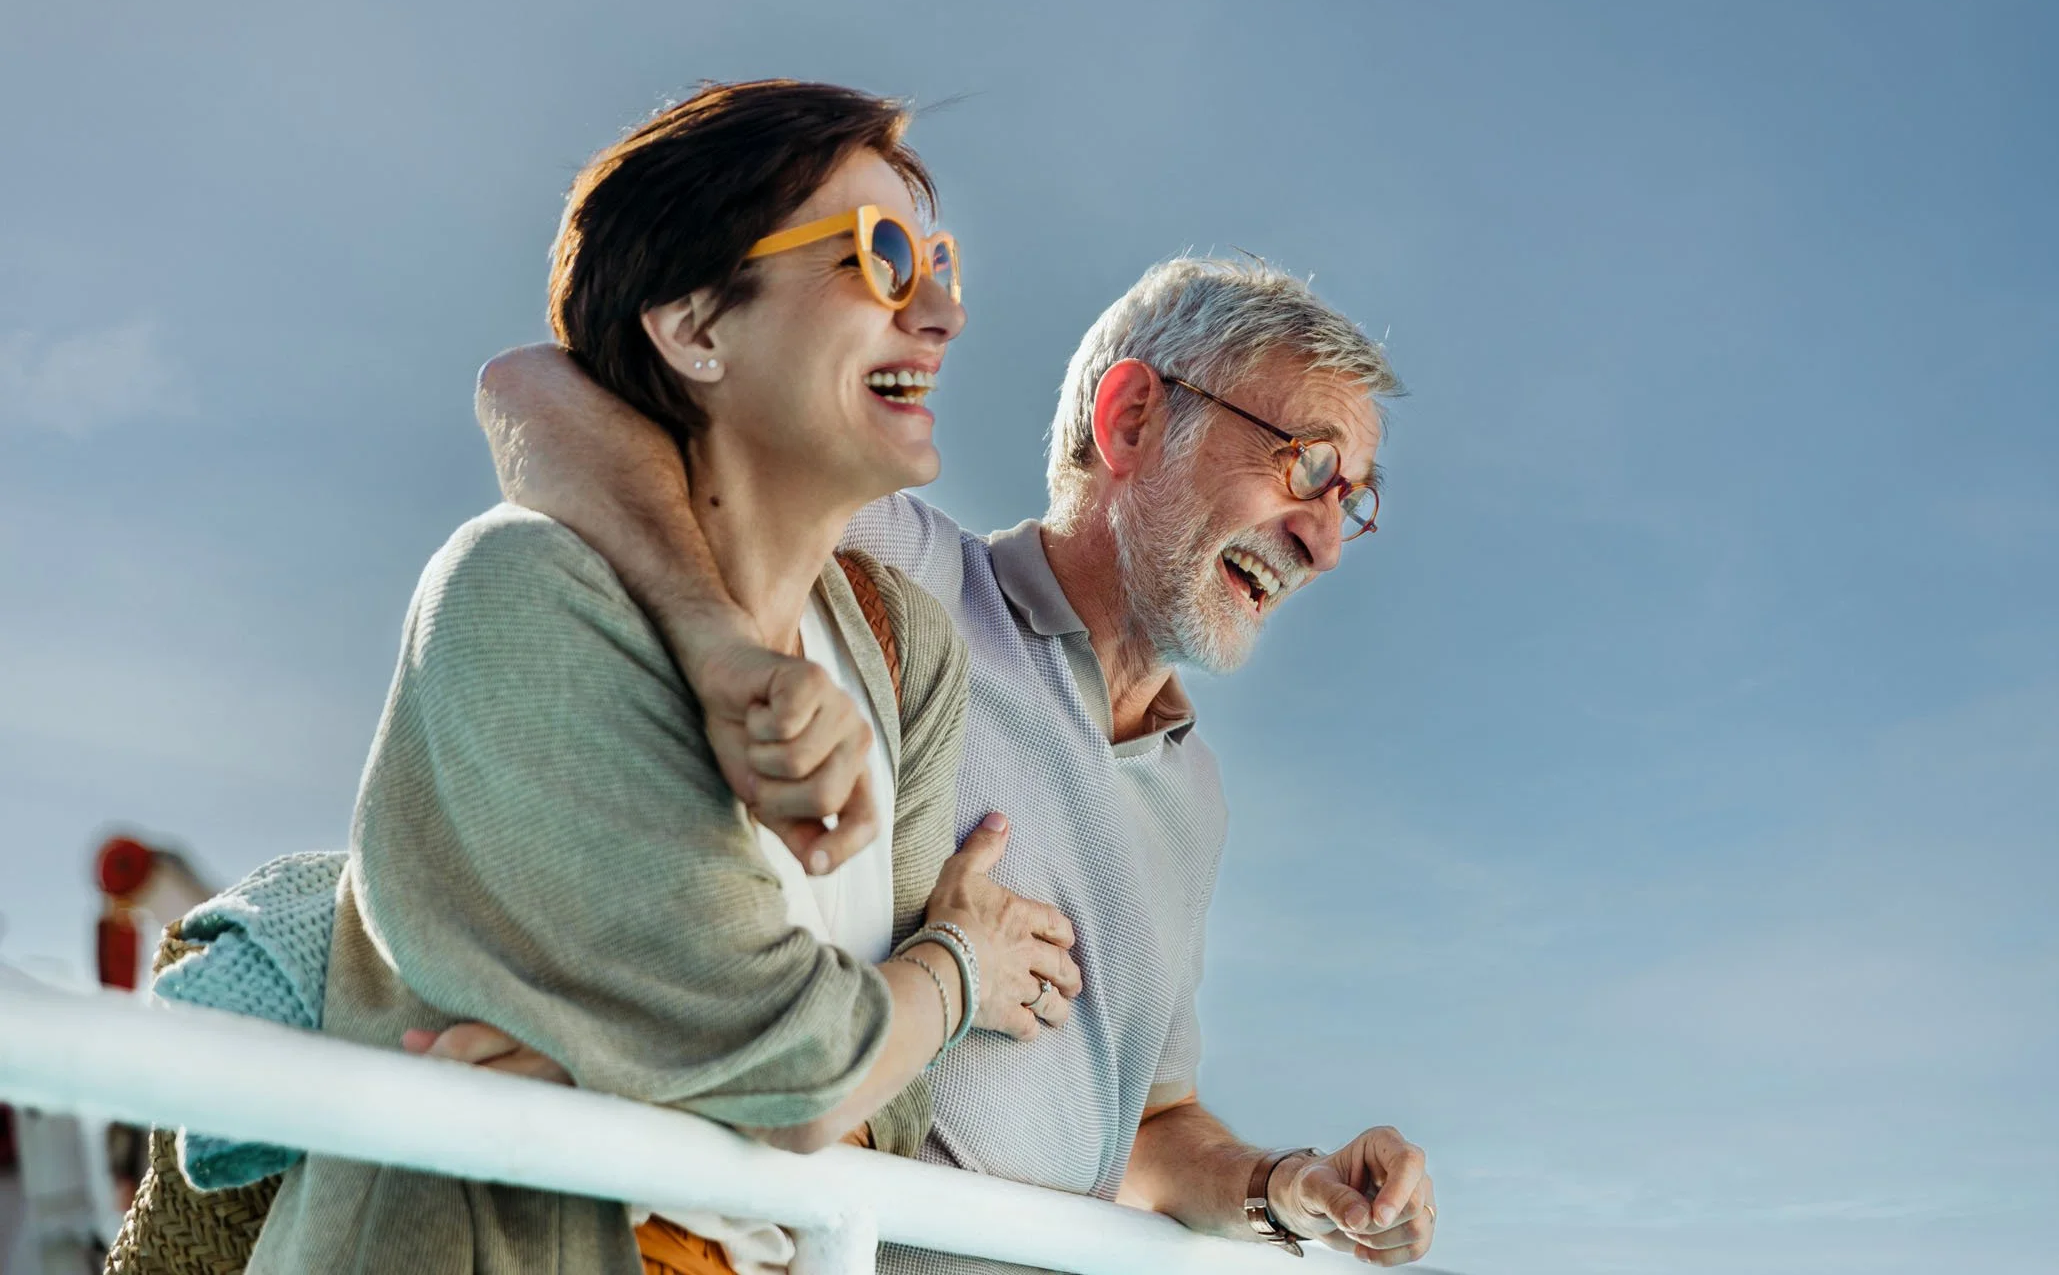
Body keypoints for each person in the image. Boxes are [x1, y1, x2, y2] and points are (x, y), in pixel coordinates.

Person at [195, 80, 1081, 1275]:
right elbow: (803, 1063)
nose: (939, 312)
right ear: (696, 329)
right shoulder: (524, 593)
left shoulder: (902, 649)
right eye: (873, 258)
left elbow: (886, 1095)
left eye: (938, 260)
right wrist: (956, 967)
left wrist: (647, 1093)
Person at [467, 253, 1439, 1270]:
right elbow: (539, 388)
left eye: (1352, 501)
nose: (1325, 542)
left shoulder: (1196, 795)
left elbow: (1152, 1130)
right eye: (1310, 466)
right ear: (1134, 418)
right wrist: (716, 645)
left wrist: (1287, 1185)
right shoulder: (908, 567)